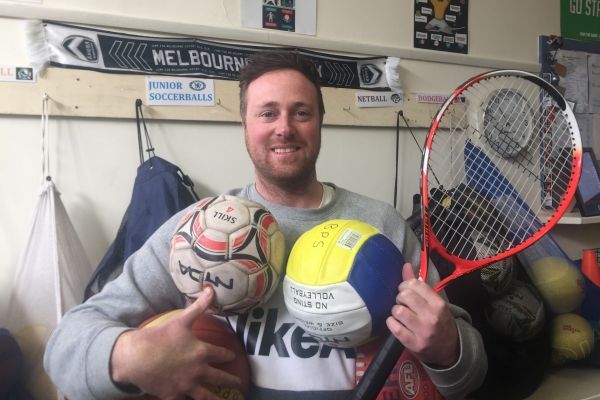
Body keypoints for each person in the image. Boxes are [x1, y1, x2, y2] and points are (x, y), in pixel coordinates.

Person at [44, 50, 487, 399]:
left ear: (320, 123)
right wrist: (127, 356)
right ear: (244, 124)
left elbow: (468, 375)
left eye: (301, 112)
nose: (284, 128)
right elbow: (65, 346)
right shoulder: (197, 231)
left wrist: (447, 347)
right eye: (267, 113)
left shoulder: (380, 224)